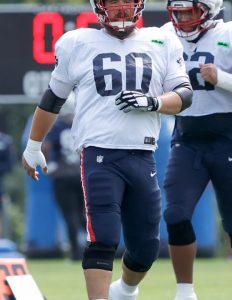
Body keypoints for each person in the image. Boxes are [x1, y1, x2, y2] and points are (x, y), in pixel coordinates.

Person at [21, 0, 193, 299]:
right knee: (103, 237)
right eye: (115, 6)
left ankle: (124, 291)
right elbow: (53, 99)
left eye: (128, 5)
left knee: (146, 248)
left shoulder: (162, 40)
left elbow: (184, 94)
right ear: (99, 8)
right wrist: (34, 145)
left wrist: (154, 102)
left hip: (142, 153)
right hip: (99, 153)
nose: (122, 12)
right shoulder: (78, 42)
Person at [162, 1, 232, 299]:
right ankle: (185, 291)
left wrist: (222, 78)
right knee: (175, 215)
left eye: (190, 11)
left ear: (210, 9)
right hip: (187, 136)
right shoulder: (164, 36)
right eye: (179, 11)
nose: (183, 18)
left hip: (230, 136)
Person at [43, 97, 87, 261]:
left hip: (62, 174)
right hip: (81, 173)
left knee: (70, 215)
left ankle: (76, 253)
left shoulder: (57, 125)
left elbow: (46, 146)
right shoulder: (81, 123)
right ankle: (98, 247)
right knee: (84, 214)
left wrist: (50, 163)